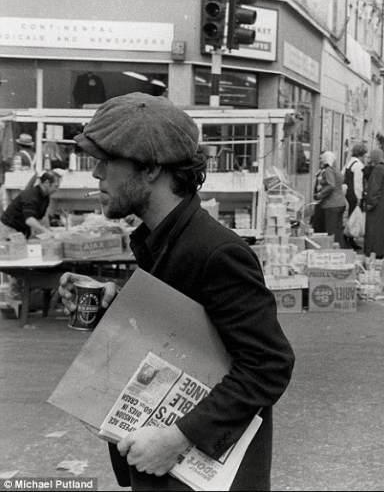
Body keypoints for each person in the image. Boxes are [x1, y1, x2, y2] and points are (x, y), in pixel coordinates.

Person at [58, 93, 295, 490]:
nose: (95, 173)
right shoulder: (161, 241)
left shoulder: (216, 251)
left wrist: (178, 436)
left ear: (151, 168)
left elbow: (268, 366)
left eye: (106, 160)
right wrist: (112, 307)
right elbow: (183, 339)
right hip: (167, 470)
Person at [0, 170, 61, 238]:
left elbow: (38, 219)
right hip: (8, 229)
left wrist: (42, 232)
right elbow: (29, 220)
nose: (57, 190)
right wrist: (47, 232)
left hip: (21, 230)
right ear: (47, 183)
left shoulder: (45, 198)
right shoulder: (31, 195)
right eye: (55, 186)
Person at [363, 148, 384, 259]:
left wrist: (370, 203)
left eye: (371, 157)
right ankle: (378, 252)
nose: (370, 159)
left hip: (377, 207)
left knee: (373, 232)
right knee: (381, 232)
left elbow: (375, 189)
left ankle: (373, 255)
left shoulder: (378, 169)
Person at [314, 151, 347, 248]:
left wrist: (320, 195)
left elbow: (331, 185)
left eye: (322, 158)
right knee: (338, 231)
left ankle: (333, 251)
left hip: (332, 204)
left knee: (331, 231)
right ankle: (340, 250)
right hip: (340, 203)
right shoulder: (336, 170)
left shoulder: (328, 170)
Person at [342, 144, 368, 251]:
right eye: (365, 155)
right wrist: (359, 197)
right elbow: (358, 183)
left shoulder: (349, 163)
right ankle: (350, 238)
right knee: (353, 218)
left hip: (348, 193)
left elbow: (342, 174)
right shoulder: (359, 165)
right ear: (361, 155)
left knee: (349, 217)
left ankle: (348, 239)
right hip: (354, 194)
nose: (366, 158)